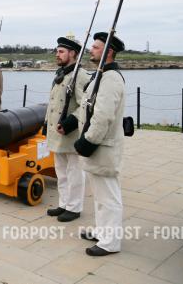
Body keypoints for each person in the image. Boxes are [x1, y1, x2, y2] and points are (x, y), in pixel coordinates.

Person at [74, 32, 126, 256]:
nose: (91, 50)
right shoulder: (102, 75)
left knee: (108, 197)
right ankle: (102, 231)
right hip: (97, 147)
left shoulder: (111, 78)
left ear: (108, 52)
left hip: (102, 147)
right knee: (99, 195)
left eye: (96, 47)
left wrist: (88, 141)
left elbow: (103, 116)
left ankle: (110, 242)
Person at [44, 37, 90, 222]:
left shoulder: (81, 76)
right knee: (61, 173)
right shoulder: (61, 73)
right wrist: (46, 124)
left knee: (75, 173)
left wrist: (70, 123)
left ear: (73, 54)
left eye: (61, 51)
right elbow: (53, 103)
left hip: (71, 134)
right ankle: (63, 204)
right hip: (57, 133)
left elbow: (86, 105)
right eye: (57, 51)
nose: (57, 54)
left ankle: (74, 207)